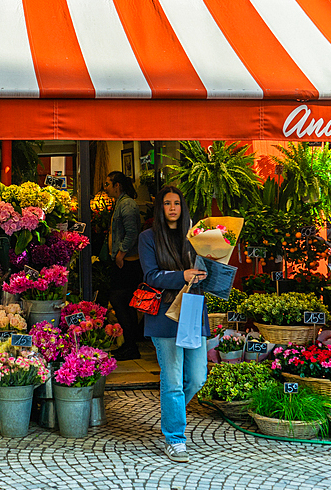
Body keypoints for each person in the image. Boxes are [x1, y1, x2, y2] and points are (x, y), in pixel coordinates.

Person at [138, 185, 208, 463]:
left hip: (193, 311)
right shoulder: (148, 237)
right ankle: (175, 438)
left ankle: (171, 412)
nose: (172, 207)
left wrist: (208, 273)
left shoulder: (195, 238)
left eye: (176, 203)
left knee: (198, 377)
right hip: (164, 315)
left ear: (183, 207)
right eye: (166, 203)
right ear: (160, 208)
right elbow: (151, 276)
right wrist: (184, 275)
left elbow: (206, 269)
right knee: (173, 381)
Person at [103, 171, 142, 360]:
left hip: (128, 263)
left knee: (121, 301)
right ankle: (129, 345)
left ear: (117, 185)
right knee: (125, 304)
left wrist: (121, 254)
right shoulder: (121, 203)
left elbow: (132, 232)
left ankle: (131, 346)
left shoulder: (127, 204)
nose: (106, 187)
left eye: (108, 184)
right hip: (123, 261)